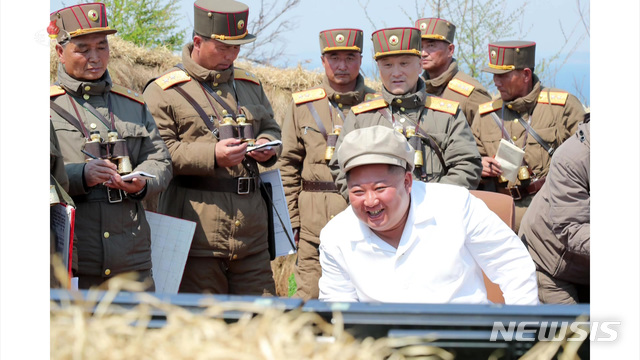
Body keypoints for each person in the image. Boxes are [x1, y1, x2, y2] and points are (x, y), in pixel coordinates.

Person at [143, 0, 281, 295]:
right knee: (201, 327)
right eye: (223, 48)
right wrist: (212, 155)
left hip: (252, 237)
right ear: (197, 41)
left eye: (236, 48)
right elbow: (158, 153)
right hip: (196, 237)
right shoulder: (164, 91)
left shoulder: (249, 83)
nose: (231, 56)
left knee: (263, 323)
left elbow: (270, 125)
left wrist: (268, 143)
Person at [318, 126, 538, 304]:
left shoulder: (455, 205)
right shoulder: (336, 236)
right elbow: (337, 308)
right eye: (357, 191)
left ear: (407, 182)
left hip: (464, 340)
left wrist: (518, 339)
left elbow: (512, 264)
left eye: (380, 189)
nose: (370, 201)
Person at [49, 3, 173, 290]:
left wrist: (142, 182)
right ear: (60, 52)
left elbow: (161, 161)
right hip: (76, 258)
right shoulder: (47, 106)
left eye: (102, 47)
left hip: (132, 258)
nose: (95, 57)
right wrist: (81, 175)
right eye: (83, 49)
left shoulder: (132, 104)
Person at [277, 28, 377, 301]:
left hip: (364, 219)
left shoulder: (376, 105)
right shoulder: (302, 106)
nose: (342, 66)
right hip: (313, 224)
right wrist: (293, 221)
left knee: (365, 297)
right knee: (309, 297)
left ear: (360, 59)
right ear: (323, 60)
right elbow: (288, 166)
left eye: (350, 57)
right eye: (334, 58)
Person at [332, 27, 482, 197]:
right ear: (378, 67)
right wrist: (370, 204)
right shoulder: (361, 117)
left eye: (404, 63)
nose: (396, 73)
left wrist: (430, 203)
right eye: (387, 65)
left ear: (419, 65)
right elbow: (340, 166)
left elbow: (467, 166)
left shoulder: (447, 114)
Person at [471, 41, 584, 232]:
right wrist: (479, 165)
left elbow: (585, 161)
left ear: (525, 75)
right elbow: (469, 160)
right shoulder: (485, 116)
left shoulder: (561, 107)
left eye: (503, 75)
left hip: (549, 214)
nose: (496, 82)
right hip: (502, 218)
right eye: (494, 76)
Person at [519, 115, 590, 304]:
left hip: (589, 261)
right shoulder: (572, 157)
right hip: (551, 262)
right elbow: (571, 229)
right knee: (574, 331)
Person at [415, 18, 491, 125]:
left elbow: (490, 137)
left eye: (431, 46)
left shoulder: (471, 94)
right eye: (420, 47)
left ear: (450, 50)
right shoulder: (414, 89)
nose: (423, 53)